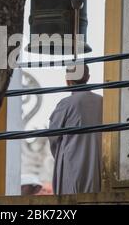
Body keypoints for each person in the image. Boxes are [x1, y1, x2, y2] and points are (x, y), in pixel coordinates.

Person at [48, 64, 103, 195]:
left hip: (71, 165)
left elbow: (53, 137)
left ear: (67, 80)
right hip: (97, 164)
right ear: (88, 78)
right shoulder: (102, 102)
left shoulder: (66, 104)